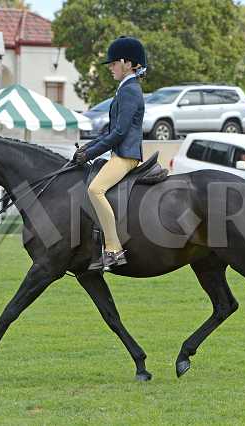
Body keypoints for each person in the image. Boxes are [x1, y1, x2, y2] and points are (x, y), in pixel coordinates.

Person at [72, 36, 147, 270]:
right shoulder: (124, 89)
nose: (111, 68)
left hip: (126, 156)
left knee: (95, 189)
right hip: (119, 153)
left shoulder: (130, 90)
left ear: (128, 63)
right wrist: (87, 148)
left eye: (114, 63)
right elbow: (111, 131)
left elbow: (120, 133)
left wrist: (90, 154)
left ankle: (114, 250)